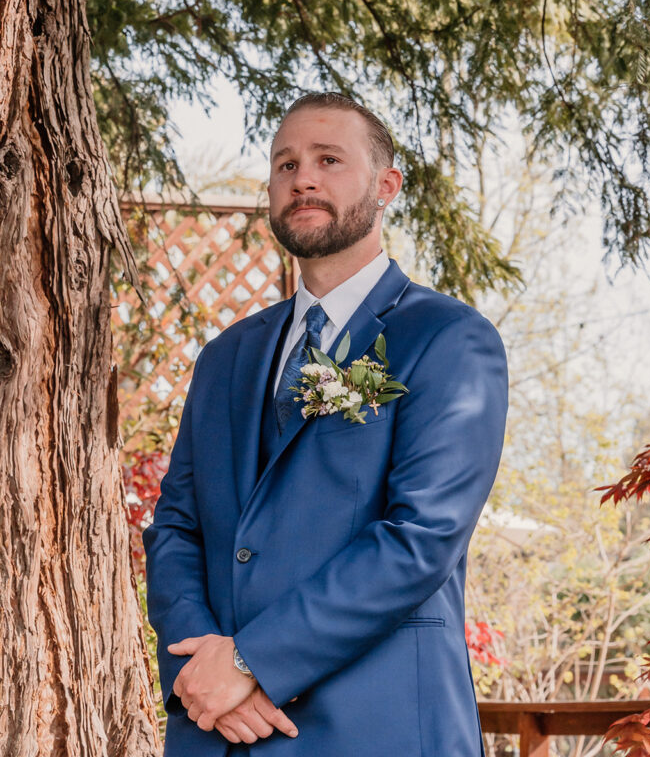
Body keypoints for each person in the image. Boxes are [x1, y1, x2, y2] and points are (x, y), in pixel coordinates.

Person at [142, 91, 508, 756]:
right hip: (218, 731)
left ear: (385, 185)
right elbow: (175, 526)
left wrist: (252, 662)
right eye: (284, 165)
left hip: (375, 726)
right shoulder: (226, 356)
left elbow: (419, 537)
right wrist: (201, 670)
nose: (301, 178)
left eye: (328, 159)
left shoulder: (448, 338)